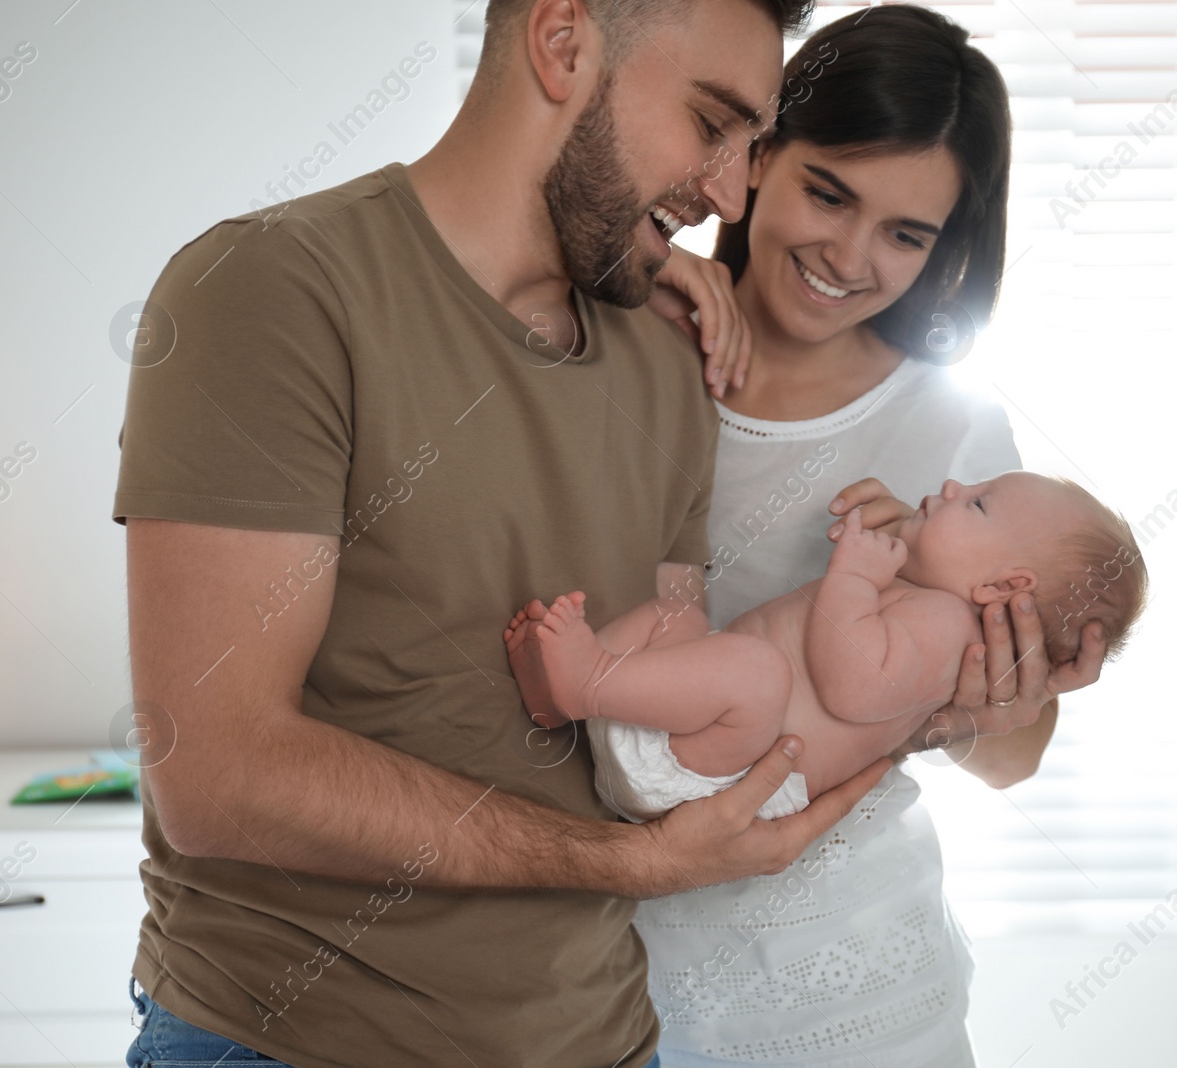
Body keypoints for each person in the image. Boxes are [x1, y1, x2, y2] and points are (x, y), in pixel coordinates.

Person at [110, 0, 894, 1066]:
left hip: (606, 1042)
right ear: (562, 42)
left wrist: (917, 668)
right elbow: (217, 774)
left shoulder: (672, 364)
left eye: (749, 146)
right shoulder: (272, 293)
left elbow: (660, 738)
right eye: (711, 123)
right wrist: (626, 866)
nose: (727, 194)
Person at [627, 7, 1110, 1065]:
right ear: (755, 156)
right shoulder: (626, 345)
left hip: (853, 989)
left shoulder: (953, 433)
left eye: (907, 234)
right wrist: (627, 277)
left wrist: (990, 707)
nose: (847, 257)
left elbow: (1011, 761)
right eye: (827, 193)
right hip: (611, 982)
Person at [505, 473, 1145, 821]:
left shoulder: (949, 630)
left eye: (977, 503)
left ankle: (586, 682)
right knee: (679, 619)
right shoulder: (916, 594)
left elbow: (853, 686)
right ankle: (567, 693)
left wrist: (854, 578)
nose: (951, 485)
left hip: (722, 780)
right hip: (684, 737)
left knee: (756, 671)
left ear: (1005, 586)